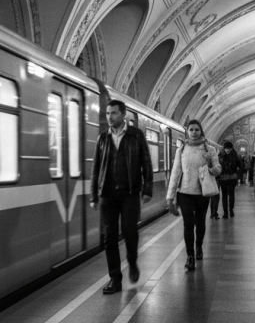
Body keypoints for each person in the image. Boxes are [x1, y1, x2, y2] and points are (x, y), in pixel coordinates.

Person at [90, 100, 154, 294]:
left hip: (130, 193)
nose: (110, 117)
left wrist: (147, 189)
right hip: (108, 194)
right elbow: (96, 169)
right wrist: (94, 194)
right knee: (109, 237)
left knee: (129, 232)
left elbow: (146, 163)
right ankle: (115, 279)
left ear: (123, 115)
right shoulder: (103, 138)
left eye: (114, 113)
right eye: (108, 113)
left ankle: (132, 262)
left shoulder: (136, 136)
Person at [167, 120, 221, 270]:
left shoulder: (209, 149)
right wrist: (170, 196)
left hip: (203, 192)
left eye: (197, 129)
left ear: (201, 131)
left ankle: (199, 246)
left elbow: (218, 170)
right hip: (184, 192)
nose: (194, 132)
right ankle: (190, 255)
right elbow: (176, 172)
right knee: (188, 224)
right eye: (191, 129)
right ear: (187, 132)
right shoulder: (181, 150)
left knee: (200, 222)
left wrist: (211, 165)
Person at [217, 141, 240, 218]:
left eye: (229, 148)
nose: (228, 150)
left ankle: (230, 210)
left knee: (230, 194)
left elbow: (240, 165)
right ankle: (226, 212)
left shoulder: (221, 155)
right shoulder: (234, 155)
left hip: (231, 178)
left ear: (231, 148)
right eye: (227, 148)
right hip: (224, 178)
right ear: (224, 148)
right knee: (225, 195)